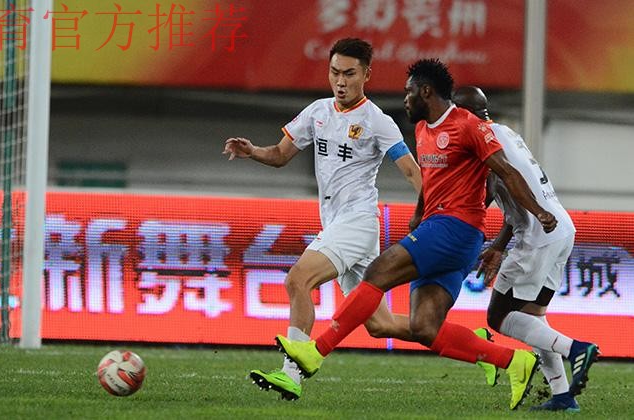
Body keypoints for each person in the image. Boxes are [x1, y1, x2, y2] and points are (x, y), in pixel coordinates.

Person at [276, 58, 559, 411]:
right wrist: (417, 214)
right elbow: (429, 182)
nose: (404, 99)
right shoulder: (424, 129)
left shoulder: (468, 125)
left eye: (408, 92)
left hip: (456, 228)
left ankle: (315, 352)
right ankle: (514, 361)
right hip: (437, 228)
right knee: (424, 326)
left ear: (425, 92)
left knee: (377, 273)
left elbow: (507, 173)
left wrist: (539, 211)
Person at [223, 38, 422, 401]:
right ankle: (475, 344)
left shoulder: (378, 121)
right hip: (337, 225)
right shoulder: (318, 112)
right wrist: (253, 152)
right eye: (335, 72)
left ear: (366, 75)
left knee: (298, 279)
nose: (340, 81)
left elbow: (411, 171)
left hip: (357, 221)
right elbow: (280, 154)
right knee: (381, 324)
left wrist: (435, 211)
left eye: (349, 74)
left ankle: (291, 375)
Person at [453, 86, 599, 412]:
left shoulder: (479, 140)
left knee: (498, 316)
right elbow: (512, 192)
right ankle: (563, 396)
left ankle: (576, 349)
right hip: (561, 229)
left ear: (463, 115)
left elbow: (491, 190)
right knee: (534, 317)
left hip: (537, 235)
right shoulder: (506, 133)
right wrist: (498, 246)